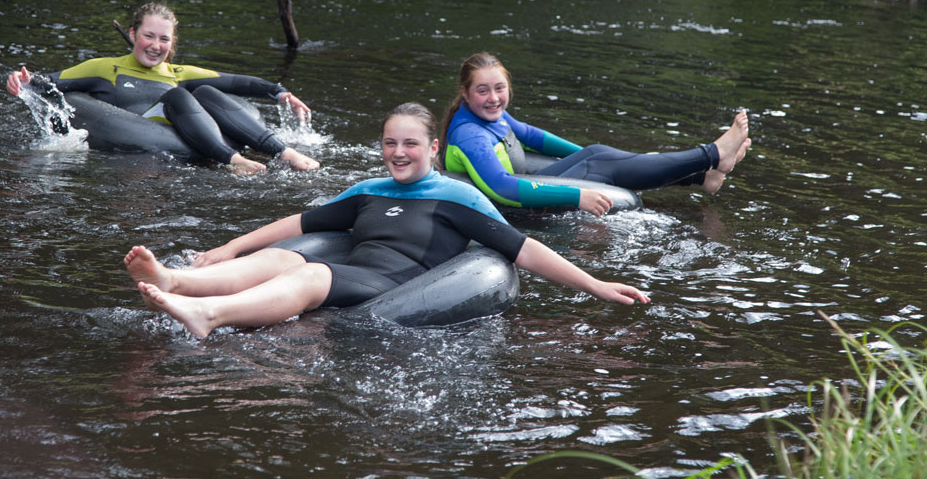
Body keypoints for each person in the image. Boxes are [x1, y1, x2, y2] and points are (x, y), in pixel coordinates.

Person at [124, 102, 649, 337]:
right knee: (284, 258)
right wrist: (231, 247)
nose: (399, 153)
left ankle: (208, 314)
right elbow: (300, 223)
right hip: (356, 271)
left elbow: (523, 250)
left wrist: (596, 285)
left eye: (410, 144)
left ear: (433, 148)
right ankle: (177, 280)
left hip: (396, 284)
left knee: (308, 274)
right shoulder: (368, 190)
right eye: (390, 143)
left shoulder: (456, 198)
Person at [6, 1, 319, 175]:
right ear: (132, 34)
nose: (156, 46)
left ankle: (283, 151)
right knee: (178, 95)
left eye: (164, 39)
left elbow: (236, 82)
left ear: (172, 43)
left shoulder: (180, 72)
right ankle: (234, 161)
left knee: (205, 92)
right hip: (143, 140)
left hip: (191, 137)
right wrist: (22, 80)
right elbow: (50, 82)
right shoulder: (104, 68)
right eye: (149, 36)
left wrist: (280, 92)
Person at [441, 52, 752, 215]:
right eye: (483, 91)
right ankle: (711, 155)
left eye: (500, 88)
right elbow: (503, 189)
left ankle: (702, 176)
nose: (494, 98)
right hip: (512, 210)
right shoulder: (471, 135)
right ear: (466, 93)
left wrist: (584, 153)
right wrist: (578, 194)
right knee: (599, 162)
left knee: (596, 153)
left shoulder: (487, 115)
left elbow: (532, 135)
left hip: (519, 192)